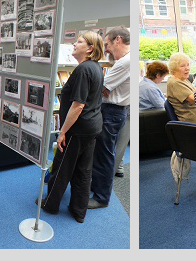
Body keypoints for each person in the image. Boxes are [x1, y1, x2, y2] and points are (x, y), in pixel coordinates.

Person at [41, 31, 104, 223]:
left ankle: (50, 205)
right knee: (83, 171)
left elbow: (78, 106)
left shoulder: (83, 69)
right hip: (92, 127)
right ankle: (79, 211)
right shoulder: (95, 67)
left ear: (90, 48)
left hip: (78, 129)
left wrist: (63, 132)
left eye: (79, 42)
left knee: (62, 167)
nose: (74, 45)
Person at [88, 27, 130, 209]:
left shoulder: (124, 62)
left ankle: (101, 197)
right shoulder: (124, 61)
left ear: (117, 40)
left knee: (104, 155)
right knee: (101, 152)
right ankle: (97, 187)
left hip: (112, 111)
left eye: (107, 44)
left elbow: (103, 89)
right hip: (113, 111)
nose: (105, 49)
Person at [165, 52, 196, 122]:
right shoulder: (175, 82)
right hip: (192, 123)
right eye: (182, 66)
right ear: (174, 68)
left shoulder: (183, 79)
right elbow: (195, 99)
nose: (187, 68)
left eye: (188, 65)